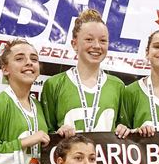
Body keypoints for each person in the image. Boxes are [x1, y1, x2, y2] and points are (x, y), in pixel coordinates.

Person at [41, 9, 128, 138]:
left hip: (104, 157)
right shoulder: (53, 84)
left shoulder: (117, 86)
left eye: (103, 41)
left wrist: (125, 129)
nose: (97, 46)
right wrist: (58, 133)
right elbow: (45, 134)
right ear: (74, 44)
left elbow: (126, 131)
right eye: (89, 39)